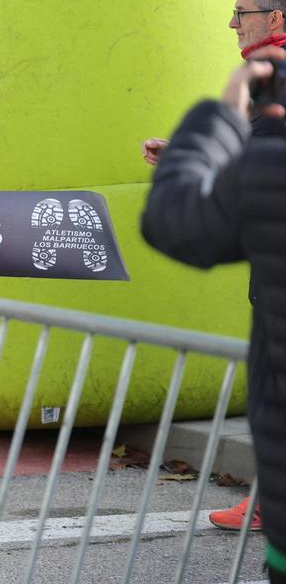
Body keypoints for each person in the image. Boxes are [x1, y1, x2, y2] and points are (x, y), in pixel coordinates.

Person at [141, 43, 286, 584]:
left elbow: (172, 221)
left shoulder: (269, 168)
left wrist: (221, 117)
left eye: (242, 15)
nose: (233, 25)